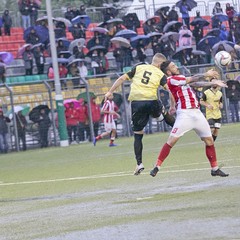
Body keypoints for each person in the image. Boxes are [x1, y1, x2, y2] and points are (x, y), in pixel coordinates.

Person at [150, 60, 229, 178]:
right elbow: (192, 79)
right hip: (185, 114)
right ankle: (157, 166)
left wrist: (213, 83)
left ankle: (215, 169)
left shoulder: (180, 78)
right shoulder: (171, 80)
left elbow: (196, 84)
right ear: (168, 71)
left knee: (209, 141)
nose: (176, 67)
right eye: (173, 66)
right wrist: (207, 74)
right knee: (171, 141)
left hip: (197, 113)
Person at [104, 53, 175, 175]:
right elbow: (170, 90)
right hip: (152, 101)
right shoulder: (160, 74)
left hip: (136, 103)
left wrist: (110, 92)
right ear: (159, 64)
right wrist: (173, 106)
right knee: (163, 114)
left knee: (138, 134)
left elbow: (121, 79)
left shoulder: (139, 67)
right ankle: (167, 119)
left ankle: (139, 164)